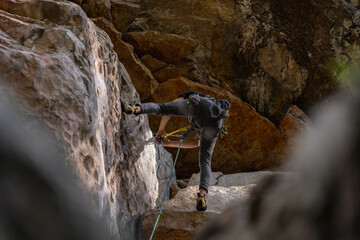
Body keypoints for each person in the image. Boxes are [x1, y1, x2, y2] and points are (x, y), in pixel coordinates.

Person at [121, 91, 230, 211]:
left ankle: (134, 109)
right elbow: (197, 142)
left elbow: (167, 108)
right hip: (214, 125)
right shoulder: (217, 115)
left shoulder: (189, 94)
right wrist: (170, 143)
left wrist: (161, 129)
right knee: (205, 160)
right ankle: (202, 195)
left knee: (161, 108)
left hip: (199, 105)